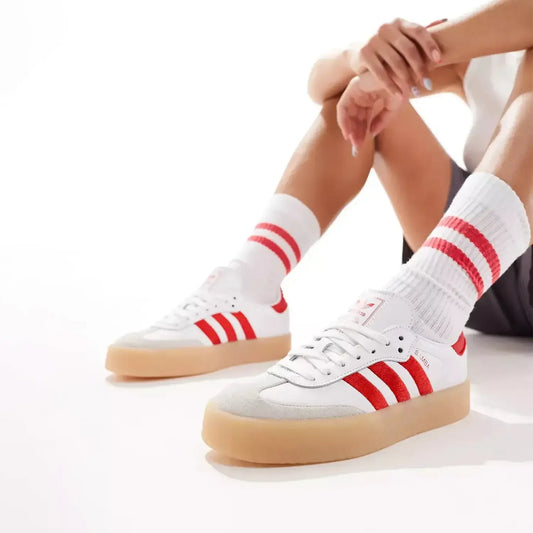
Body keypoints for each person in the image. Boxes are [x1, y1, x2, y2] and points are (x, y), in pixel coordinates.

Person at [107, 0, 533, 464]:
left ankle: (425, 310)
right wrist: (364, 59)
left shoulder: (472, 37)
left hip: (471, 276)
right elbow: (320, 82)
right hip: (481, 278)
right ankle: (253, 286)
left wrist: (413, 53)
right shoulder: (482, 47)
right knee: (358, 101)